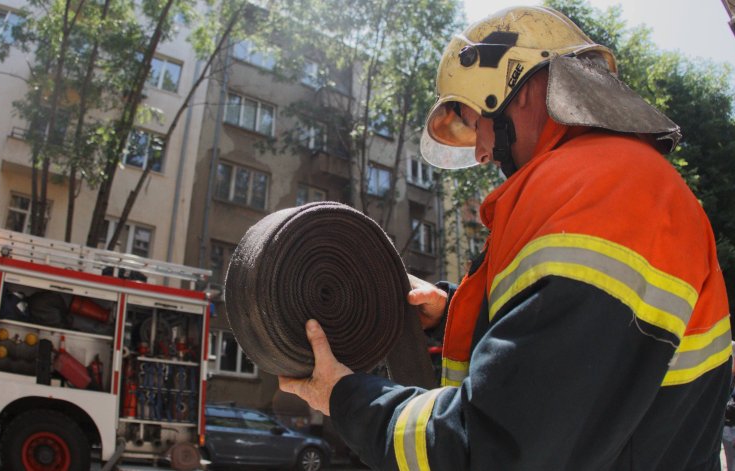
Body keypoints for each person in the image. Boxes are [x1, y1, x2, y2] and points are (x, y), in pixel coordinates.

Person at [279, 6, 732, 470]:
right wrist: (451, 310)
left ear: (520, 91)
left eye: (476, 125)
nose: (479, 152)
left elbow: (493, 445)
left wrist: (346, 397)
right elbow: (569, 347)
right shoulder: (606, 186)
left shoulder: (607, 194)